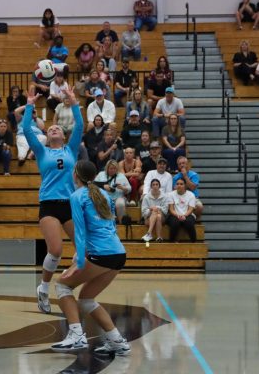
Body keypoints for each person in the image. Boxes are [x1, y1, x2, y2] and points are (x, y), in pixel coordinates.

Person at [50, 160, 130, 355]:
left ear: (75, 175)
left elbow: (79, 231)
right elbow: (111, 226)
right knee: (86, 299)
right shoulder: (104, 193)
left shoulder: (77, 196)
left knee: (63, 286)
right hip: (118, 253)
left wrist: (79, 261)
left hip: (102, 255)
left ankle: (76, 335)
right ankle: (116, 341)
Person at [23, 86, 83, 314]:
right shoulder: (42, 152)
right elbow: (27, 131)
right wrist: (30, 104)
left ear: (64, 136)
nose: (54, 128)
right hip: (49, 204)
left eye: (58, 127)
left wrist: (74, 102)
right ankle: (44, 288)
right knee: (56, 250)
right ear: (47, 138)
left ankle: (67, 285)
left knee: (83, 251)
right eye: (51, 129)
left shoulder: (71, 150)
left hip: (69, 204)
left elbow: (80, 126)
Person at [141, 178, 169, 243]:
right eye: (153, 185)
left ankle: (149, 233)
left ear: (159, 186)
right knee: (157, 215)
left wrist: (157, 208)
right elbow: (144, 213)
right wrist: (150, 210)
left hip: (162, 218)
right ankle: (159, 237)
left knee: (157, 213)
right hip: (148, 219)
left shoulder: (164, 196)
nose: (155, 186)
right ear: (151, 186)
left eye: (157, 184)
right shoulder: (146, 197)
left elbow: (165, 211)